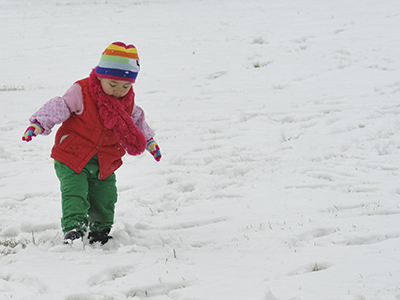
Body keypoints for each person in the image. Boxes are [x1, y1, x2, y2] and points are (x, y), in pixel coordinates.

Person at [22, 42, 161, 245]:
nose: (118, 91)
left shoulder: (127, 102)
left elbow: (136, 122)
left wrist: (149, 141)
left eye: (126, 86)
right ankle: (74, 229)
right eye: (112, 84)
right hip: (72, 155)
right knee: (75, 192)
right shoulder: (82, 91)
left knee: (105, 196)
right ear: (100, 75)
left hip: (105, 160)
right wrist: (39, 124)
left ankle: (100, 230)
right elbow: (60, 106)